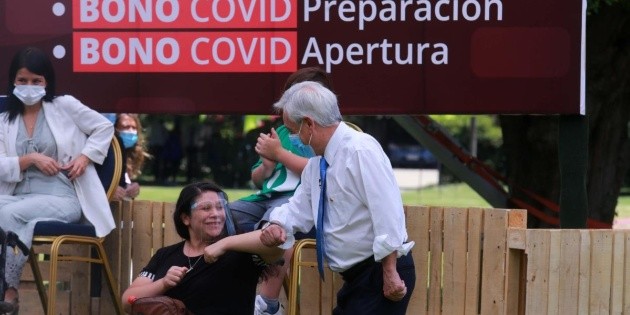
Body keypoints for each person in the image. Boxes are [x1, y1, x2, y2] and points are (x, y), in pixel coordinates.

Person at [260, 81, 416, 314]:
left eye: (293, 131)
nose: (293, 139)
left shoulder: (360, 150)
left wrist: (390, 271)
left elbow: (387, 212)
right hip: (356, 279)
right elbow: (298, 209)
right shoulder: (317, 165)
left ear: (309, 124)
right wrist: (276, 224)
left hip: (380, 273)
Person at [0, 47, 115, 314]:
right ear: (13, 81)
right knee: (10, 211)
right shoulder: (4, 121)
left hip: (62, 197)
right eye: (23, 80)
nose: (29, 86)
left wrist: (85, 157)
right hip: (18, 195)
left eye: (36, 81)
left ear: (47, 82)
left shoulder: (65, 106)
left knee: (8, 213)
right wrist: (29, 160)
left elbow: (104, 127)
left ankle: (9, 291)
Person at [229, 67, 330, 315]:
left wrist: (279, 154)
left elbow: (320, 172)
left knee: (278, 226)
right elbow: (257, 180)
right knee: (222, 216)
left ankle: (267, 305)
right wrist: (266, 164)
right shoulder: (283, 131)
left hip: (297, 202)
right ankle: (225, 290)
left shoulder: (323, 130)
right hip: (264, 198)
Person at [121, 181, 284, 314]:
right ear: (185, 218)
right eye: (206, 208)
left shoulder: (240, 251)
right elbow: (128, 301)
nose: (216, 214)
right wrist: (163, 283)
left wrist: (224, 243)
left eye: (220, 207)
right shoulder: (165, 255)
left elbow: (276, 245)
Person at [112, 113, 147, 201]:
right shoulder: (110, 155)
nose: (131, 131)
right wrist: (109, 190)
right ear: (116, 128)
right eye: (126, 127)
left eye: (134, 128)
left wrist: (133, 188)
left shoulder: (131, 156)